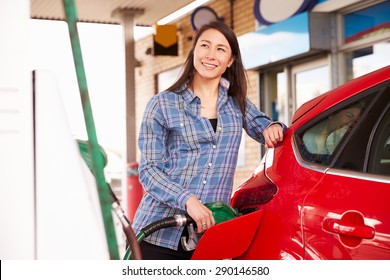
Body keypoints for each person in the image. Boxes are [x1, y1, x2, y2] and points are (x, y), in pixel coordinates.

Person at [131, 21, 287, 260]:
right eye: (205, 45)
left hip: (208, 236)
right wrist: (188, 200)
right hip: (158, 232)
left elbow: (264, 126)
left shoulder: (237, 103)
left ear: (230, 60)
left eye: (221, 49)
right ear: (194, 51)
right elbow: (149, 170)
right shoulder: (162, 104)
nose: (211, 55)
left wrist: (273, 127)